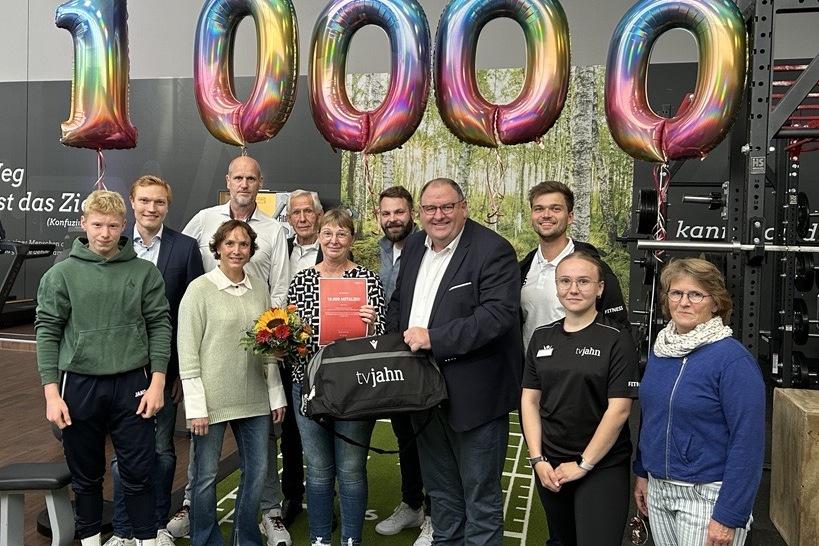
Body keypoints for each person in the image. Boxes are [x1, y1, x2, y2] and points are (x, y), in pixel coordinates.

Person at [386, 178, 522, 545]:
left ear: (464, 207)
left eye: (447, 206)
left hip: (475, 397)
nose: (438, 215)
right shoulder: (414, 245)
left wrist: (434, 338)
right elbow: (401, 299)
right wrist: (392, 338)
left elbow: (498, 315)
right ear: (420, 213)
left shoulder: (493, 250)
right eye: (430, 208)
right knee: (442, 495)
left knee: (481, 500)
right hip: (424, 394)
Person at [36, 190, 171, 546]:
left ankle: (144, 540)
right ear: (83, 224)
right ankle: (92, 540)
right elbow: (47, 332)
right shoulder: (61, 275)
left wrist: (157, 383)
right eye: (97, 224)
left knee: (140, 472)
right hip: (78, 385)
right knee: (86, 477)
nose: (105, 233)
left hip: (133, 384)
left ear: (123, 226)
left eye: (113, 225)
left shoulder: (144, 273)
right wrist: (52, 394)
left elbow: (160, 325)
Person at [172, 156, 291, 545]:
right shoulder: (199, 290)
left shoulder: (259, 290)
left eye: (243, 244)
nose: (237, 250)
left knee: (256, 473)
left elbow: (267, 346)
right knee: (205, 478)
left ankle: (246, 538)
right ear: (217, 247)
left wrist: (275, 394)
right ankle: (206, 538)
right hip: (214, 400)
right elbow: (188, 352)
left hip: (255, 398)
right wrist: (197, 407)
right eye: (230, 243)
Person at [633, 258, 765, 546]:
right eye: (676, 293)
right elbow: (652, 418)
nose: (684, 302)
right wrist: (643, 473)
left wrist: (729, 515)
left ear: (715, 303)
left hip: (707, 498)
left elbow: (748, 443)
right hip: (659, 490)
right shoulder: (661, 350)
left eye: (696, 294)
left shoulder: (733, 361)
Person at [104, 176, 204, 546]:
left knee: (162, 450)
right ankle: (124, 529)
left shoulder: (185, 248)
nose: (151, 208)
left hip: (165, 370)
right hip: (118, 370)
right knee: (123, 453)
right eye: (144, 201)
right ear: (132, 202)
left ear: (168, 206)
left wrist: (180, 371)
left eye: (159, 202)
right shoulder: (113, 244)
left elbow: (191, 315)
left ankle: (158, 525)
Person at [520, 251, 639, 546]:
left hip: (601, 466)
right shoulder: (542, 336)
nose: (573, 289)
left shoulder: (617, 339)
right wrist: (537, 459)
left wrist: (584, 464)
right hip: (551, 465)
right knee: (562, 540)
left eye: (583, 281)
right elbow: (530, 401)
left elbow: (620, 410)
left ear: (600, 288)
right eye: (565, 281)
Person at [286, 208, 385, 546]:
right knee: (317, 469)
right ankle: (319, 538)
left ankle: (351, 540)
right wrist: (294, 332)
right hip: (309, 385)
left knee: (352, 469)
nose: (333, 240)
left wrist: (371, 324)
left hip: (354, 388)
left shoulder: (368, 281)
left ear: (351, 239)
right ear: (319, 237)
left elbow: (381, 339)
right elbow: (289, 340)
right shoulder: (301, 281)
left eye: (341, 234)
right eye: (327, 233)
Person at [373, 186, 431, 544]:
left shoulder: (426, 246)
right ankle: (412, 505)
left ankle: (436, 514)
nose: (393, 219)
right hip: (392, 357)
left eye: (399, 212)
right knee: (405, 435)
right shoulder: (380, 250)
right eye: (386, 213)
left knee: (431, 439)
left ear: (412, 213)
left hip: (425, 355)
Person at [520, 181, 628, 351]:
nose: (546, 215)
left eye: (556, 209)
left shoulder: (595, 269)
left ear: (570, 217)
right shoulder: (523, 269)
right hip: (531, 371)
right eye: (539, 209)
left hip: (580, 372)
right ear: (532, 215)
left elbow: (618, 329)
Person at [276, 188, 325, 528]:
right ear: (289, 218)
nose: (303, 218)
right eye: (297, 213)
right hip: (286, 356)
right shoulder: (281, 250)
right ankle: (292, 495)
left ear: (319, 215)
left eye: (309, 211)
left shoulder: (334, 247)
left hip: (324, 358)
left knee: (325, 429)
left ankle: (325, 499)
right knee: (290, 431)